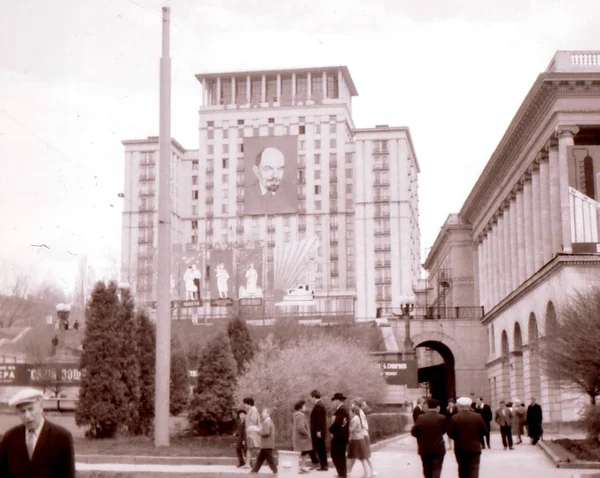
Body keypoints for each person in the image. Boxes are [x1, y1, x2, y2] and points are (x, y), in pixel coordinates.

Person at [0, 387, 76, 478]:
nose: (27, 416)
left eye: (31, 409)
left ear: (41, 407)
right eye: (22, 411)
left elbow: (68, 475)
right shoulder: (9, 438)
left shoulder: (62, 437)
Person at [244, 146, 297, 215]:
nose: (275, 175)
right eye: (268, 169)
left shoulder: (292, 194)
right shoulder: (246, 195)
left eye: (280, 169)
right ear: (256, 171)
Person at [447, 396, 487, 478]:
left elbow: (450, 433)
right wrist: (476, 437)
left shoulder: (454, 418)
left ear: (460, 406)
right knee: (474, 468)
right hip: (474, 447)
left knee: (462, 469)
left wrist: (458, 438)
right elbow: (485, 431)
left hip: (460, 448)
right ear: (469, 405)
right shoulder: (477, 416)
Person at [411, 398, 447, 478]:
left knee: (427, 469)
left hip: (424, 448)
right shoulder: (442, 418)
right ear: (438, 407)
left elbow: (413, 432)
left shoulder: (421, 417)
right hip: (438, 448)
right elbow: (444, 431)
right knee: (437, 469)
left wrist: (422, 436)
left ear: (427, 407)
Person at [347, 401, 372, 478]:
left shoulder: (355, 419)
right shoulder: (357, 418)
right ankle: (349, 472)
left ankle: (367, 474)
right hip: (357, 439)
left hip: (357, 440)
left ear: (353, 411)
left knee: (362, 457)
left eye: (350, 411)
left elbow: (351, 429)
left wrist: (345, 426)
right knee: (356, 457)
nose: (349, 412)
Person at [329, 392, 350, 478]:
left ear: (338, 400)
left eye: (334, 400)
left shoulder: (341, 410)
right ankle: (341, 473)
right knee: (340, 455)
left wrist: (330, 430)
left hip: (339, 436)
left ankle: (342, 474)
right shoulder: (344, 409)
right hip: (342, 436)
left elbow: (338, 423)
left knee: (335, 455)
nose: (333, 402)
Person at [292, 400, 317, 474]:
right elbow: (300, 427)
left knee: (303, 452)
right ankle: (301, 467)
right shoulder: (300, 416)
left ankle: (300, 467)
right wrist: (307, 434)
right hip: (302, 439)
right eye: (304, 406)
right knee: (305, 451)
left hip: (298, 438)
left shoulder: (295, 415)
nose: (305, 407)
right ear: (300, 407)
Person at [251, 408, 278, 474]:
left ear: (268, 414)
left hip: (266, 445)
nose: (262, 414)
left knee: (269, 460)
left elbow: (266, 432)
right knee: (260, 460)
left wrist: (258, 431)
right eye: (262, 413)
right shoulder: (269, 421)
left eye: (264, 413)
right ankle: (254, 471)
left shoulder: (267, 422)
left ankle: (276, 472)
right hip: (266, 445)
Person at [356, 398, 377, 476]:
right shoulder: (361, 412)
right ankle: (369, 471)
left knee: (364, 455)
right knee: (365, 455)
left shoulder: (359, 413)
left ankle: (369, 472)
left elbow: (362, 425)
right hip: (364, 434)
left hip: (362, 435)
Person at [309, 389, 328, 471]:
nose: (311, 399)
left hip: (318, 431)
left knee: (320, 448)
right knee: (321, 448)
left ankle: (323, 466)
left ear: (313, 397)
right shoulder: (320, 405)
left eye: (311, 397)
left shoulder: (318, 405)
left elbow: (320, 419)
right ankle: (323, 465)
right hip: (319, 431)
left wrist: (319, 431)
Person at [243, 397, 261, 469]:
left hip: (253, 431)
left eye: (245, 404)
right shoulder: (251, 410)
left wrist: (249, 428)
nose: (244, 405)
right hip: (250, 431)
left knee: (256, 447)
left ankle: (260, 462)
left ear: (249, 403)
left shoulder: (253, 409)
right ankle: (248, 464)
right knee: (249, 448)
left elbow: (254, 420)